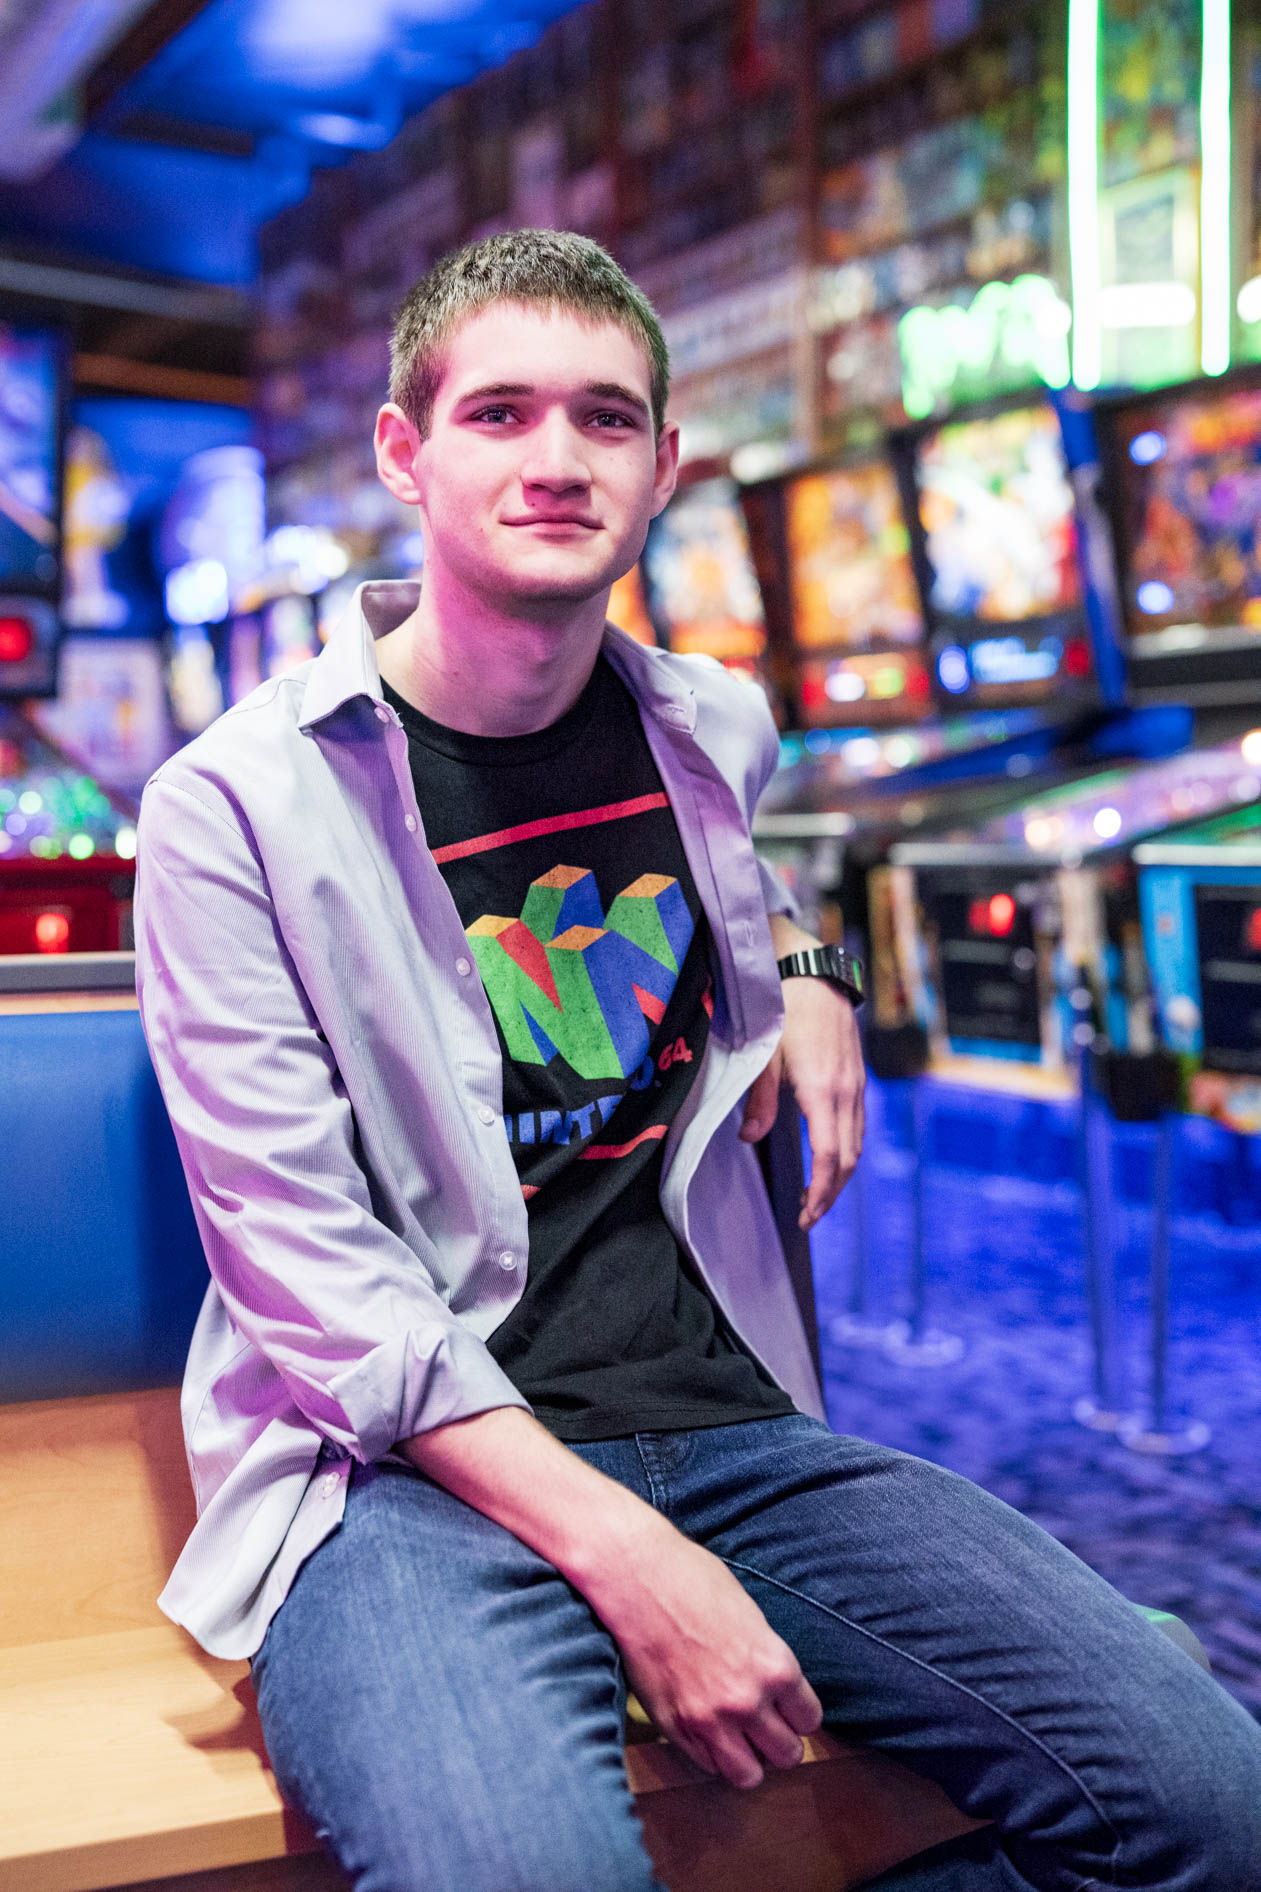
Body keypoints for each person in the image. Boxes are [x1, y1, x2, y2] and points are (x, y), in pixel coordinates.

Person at [135, 230, 1261, 1892]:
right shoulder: (233, 807)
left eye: (602, 419)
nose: (553, 460)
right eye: (499, 412)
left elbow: (747, 888)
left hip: (729, 1426)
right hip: (402, 1479)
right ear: (405, 449)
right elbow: (312, 1274)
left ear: (662, 467)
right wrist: (632, 1561)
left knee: (1210, 1802)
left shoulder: (710, 725)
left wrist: (806, 968)